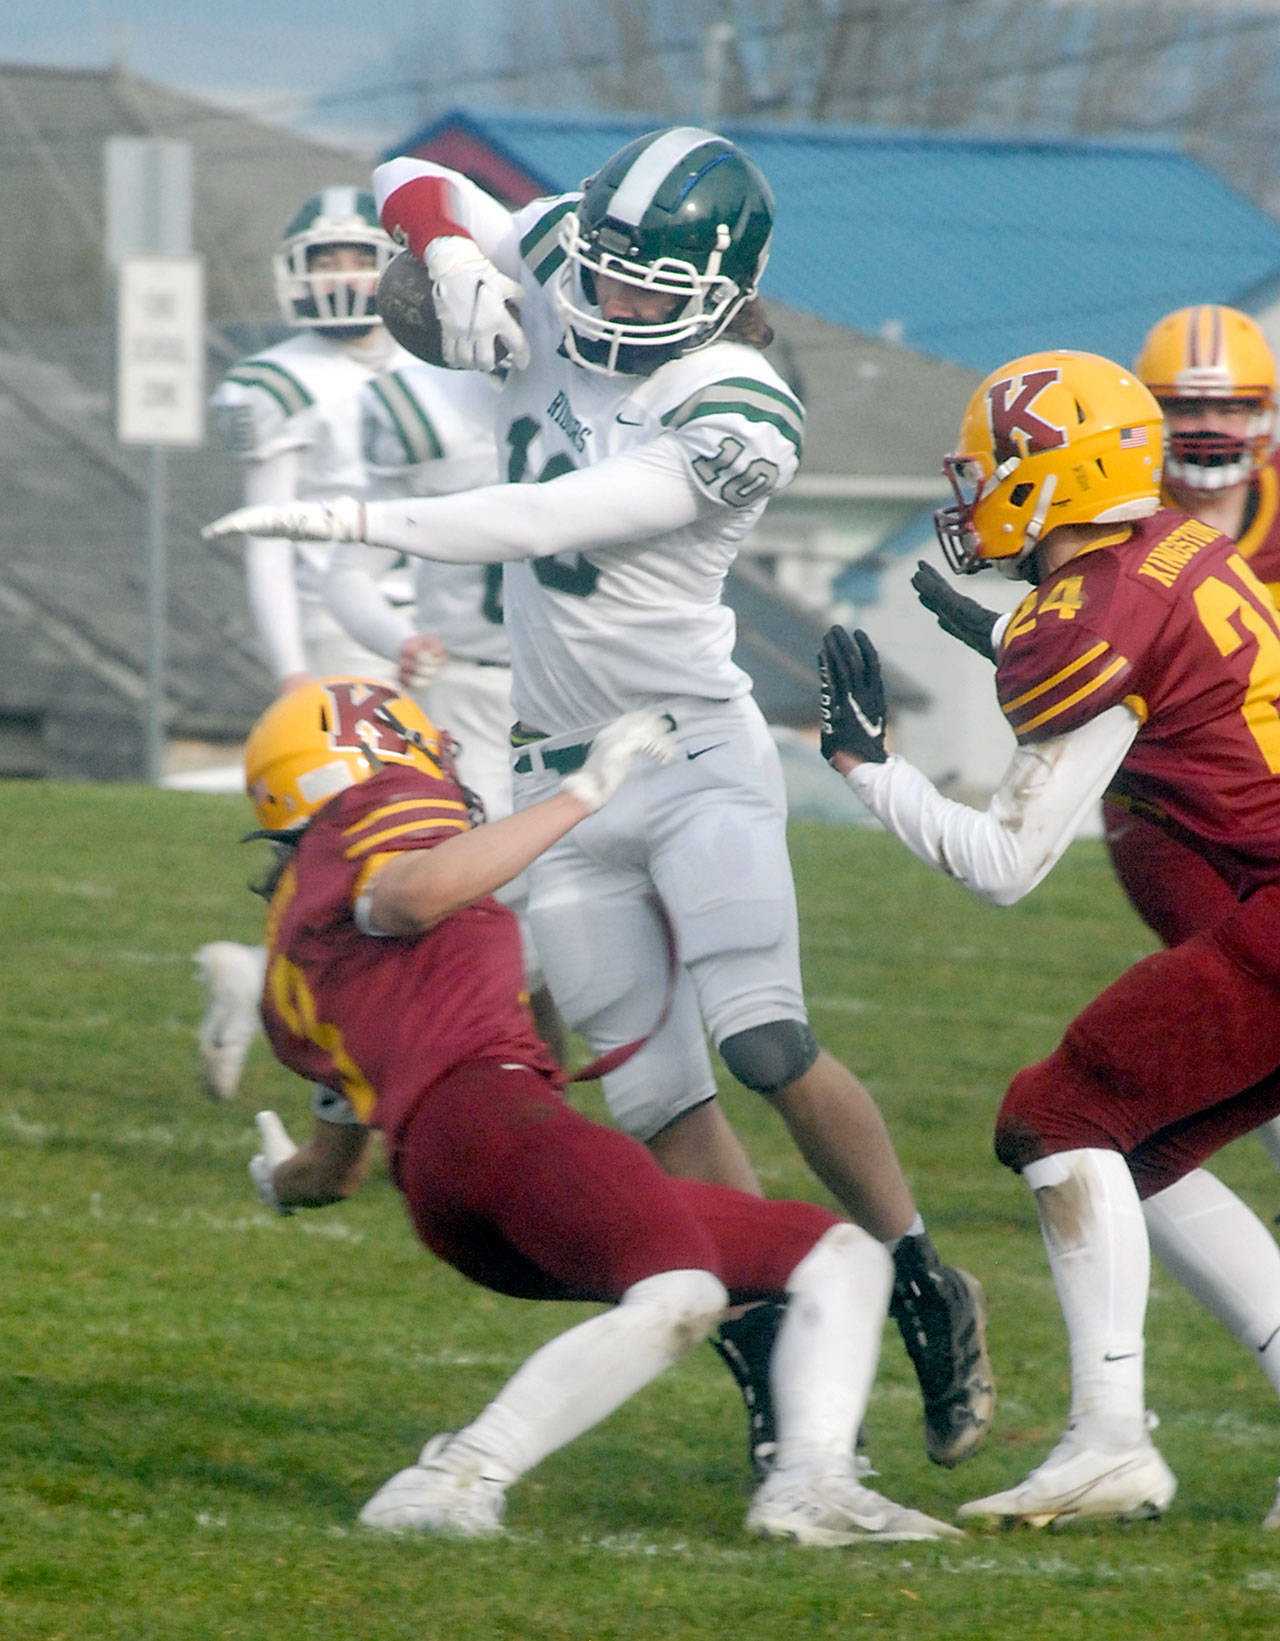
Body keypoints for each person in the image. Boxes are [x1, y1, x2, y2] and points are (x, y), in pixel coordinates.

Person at [202, 124, 995, 1476]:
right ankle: (783, 1359)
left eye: (645, 283)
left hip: (688, 751)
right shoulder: (578, 247)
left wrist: (352, 521)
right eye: (606, 267)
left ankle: (921, 1273)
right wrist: (446, 246)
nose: (608, 295)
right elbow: (407, 176)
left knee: (763, 1043)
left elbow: (541, 521)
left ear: (719, 288)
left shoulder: (741, 408)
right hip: (549, 760)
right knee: (656, 1099)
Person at [236, 673, 960, 1545]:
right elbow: (407, 895)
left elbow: (332, 1167)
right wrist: (585, 790)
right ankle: (454, 1475)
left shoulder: (297, 939)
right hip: (492, 1120)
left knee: (836, 1255)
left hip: (450, 1176)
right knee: (681, 1288)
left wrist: (280, 1183)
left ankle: (813, 1482)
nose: (437, 757)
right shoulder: (380, 809)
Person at [822, 347, 1280, 1529]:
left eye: (989, 470)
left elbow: (1002, 865)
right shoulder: (1176, 544)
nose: (973, 492)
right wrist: (1010, 637)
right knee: (1138, 1148)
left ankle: (1107, 1440)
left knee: (1058, 1114)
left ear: (1048, 477)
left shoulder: (1095, 615)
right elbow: (1171, 679)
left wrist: (867, 769)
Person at [916, 305, 1280, 1179]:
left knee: (1080, 1111)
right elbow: (1137, 643)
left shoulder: (1136, 550)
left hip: (1245, 819)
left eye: (1231, 405)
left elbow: (1123, 640)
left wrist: (867, 766)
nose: (1207, 427)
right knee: (1170, 1090)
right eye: (1184, 407)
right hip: (1167, 811)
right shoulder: (1161, 533)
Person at [196, 187, 411, 1102]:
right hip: (343, 631)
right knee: (364, 848)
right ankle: (312, 1019)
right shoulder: (278, 381)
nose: (343, 275)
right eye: (325, 260)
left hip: (446, 624)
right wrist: (292, 667)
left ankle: (265, 981)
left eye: (358, 255)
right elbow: (268, 536)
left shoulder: (437, 359)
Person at [320, 362, 562, 1055]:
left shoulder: (615, 395)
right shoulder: (424, 406)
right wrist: (398, 639)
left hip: (579, 694)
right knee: (472, 907)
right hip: (468, 698)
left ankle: (540, 1090)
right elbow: (349, 573)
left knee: (566, 919)